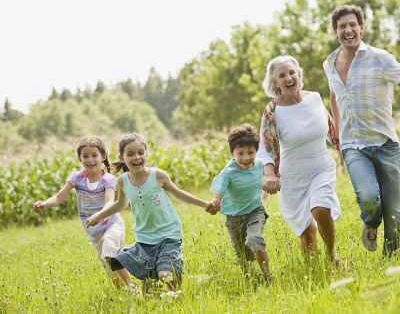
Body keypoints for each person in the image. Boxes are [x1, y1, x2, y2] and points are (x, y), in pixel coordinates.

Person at [324, 5, 400, 256]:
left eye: (352, 25)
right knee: (369, 197)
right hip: (352, 144)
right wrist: (337, 130)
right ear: (335, 32)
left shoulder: (380, 58)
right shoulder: (329, 63)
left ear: (361, 28)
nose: (348, 30)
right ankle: (370, 222)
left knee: (394, 210)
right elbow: (335, 94)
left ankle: (391, 261)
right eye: (342, 26)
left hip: (384, 142)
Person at [85, 133, 213, 292]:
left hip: (168, 234)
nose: (136, 157)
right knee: (148, 291)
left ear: (146, 154)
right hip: (145, 238)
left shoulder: (158, 175)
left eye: (140, 152)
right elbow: (120, 204)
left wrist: (206, 204)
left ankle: (176, 289)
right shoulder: (122, 181)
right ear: (122, 158)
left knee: (165, 274)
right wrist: (98, 216)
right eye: (130, 154)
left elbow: (178, 194)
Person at [258, 55, 343, 265]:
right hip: (292, 177)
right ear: (275, 82)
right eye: (282, 75)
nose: (288, 78)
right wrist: (269, 174)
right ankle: (314, 276)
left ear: (299, 74)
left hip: (320, 168)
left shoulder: (314, 98)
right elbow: (265, 148)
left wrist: (351, 153)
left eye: (291, 73)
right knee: (307, 234)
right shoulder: (272, 111)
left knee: (321, 209)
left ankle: (332, 256)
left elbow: (332, 131)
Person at [32, 136, 133, 288]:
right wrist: (44, 204)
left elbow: (109, 203)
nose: (90, 159)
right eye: (85, 156)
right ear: (79, 158)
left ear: (103, 157)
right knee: (109, 268)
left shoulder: (108, 179)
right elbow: (58, 198)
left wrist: (98, 216)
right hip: (94, 232)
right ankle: (122, 295)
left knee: (109, 253)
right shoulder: (77, 178)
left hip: (112, 225)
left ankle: (132, 288)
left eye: (94, 155)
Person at [206, 124, 272, 278]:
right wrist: (215, 205)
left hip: (254, 210)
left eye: (250, 152)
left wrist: (265, 188)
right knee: (243, 256)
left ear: (256, 151)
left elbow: (255, 179)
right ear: (232, 153)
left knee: (255, 239)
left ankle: (267, 276)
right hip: (234, 217)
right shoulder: (228, 174)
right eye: (240, 153)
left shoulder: (259, 165)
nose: (246, 158)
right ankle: (248, 278)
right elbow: (216, 198)